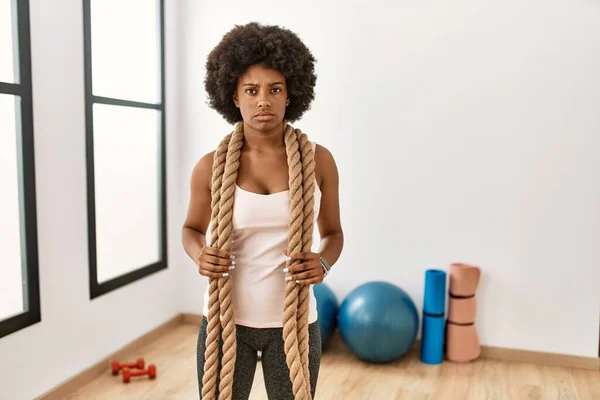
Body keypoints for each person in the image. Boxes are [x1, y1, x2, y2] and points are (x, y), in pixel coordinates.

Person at [182, 22, 344, 399]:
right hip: (225, 322)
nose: (263, 101)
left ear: (291, 95)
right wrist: (198, 254)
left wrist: (324, 263)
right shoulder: (211, 166)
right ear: (234, 96)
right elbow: (191, 229)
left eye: (275, 89)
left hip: (298, 323)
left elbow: (334, 234)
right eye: (251, 90)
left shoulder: (319, 161)